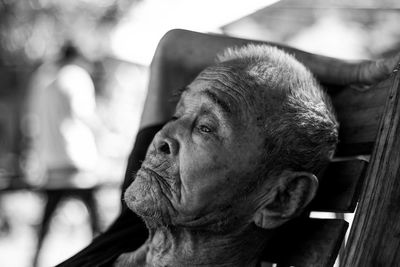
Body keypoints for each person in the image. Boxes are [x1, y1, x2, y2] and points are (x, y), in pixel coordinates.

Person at [57, 29, 400, 267]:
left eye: (206, 128)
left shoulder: (170, 208)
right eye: (179, 112)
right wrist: (357, 70)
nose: (162, 136)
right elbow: (173, 49)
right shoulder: (132, 232)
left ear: (282, 198)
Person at [26, 44, 101, 267]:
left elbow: (32, 122)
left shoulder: (44, 80)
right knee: (95, 221)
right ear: (77, 56)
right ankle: (102, 258)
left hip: (52, 160)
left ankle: (35, 260)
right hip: (77, 159)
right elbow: (85, 115)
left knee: (47, 221)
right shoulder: (76, 77)